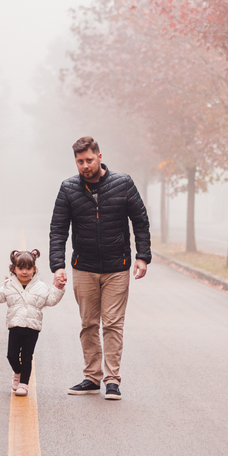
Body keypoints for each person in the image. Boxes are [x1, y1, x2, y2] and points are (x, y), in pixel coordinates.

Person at [49, 136, 150, 400]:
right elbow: (58, 229)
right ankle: (92, 378)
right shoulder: (69, 188)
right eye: (80, 161)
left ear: (100, 157)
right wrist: (57, 265)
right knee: (88, 324)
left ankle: (112, 380)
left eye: (89, 160)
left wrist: (143, 256)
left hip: (117, 266)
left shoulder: (123, 183)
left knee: (113, 324)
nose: (85, 166)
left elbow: (140, 221)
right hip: (84, 267)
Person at [0, 249, 66, 396]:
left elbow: (51, 300)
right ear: (14, 269)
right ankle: (18, 372)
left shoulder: (42, 287)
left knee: (27, 356)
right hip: (15, 326)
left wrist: (58, 288)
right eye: (20, 268)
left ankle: (24, 384)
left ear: (34, 269)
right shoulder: (9, 285)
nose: (24, 272)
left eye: (28, 268)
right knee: (11, 355)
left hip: (32, 328)